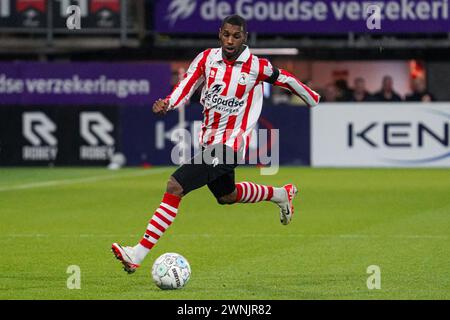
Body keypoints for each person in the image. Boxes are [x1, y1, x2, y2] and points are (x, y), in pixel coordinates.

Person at [111, 15, 320, 274]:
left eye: (236, 36)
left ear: (245, 37)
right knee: (226, 196)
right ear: (220, 33)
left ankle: (137, 253)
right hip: (209, 143)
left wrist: (312, 98)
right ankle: (280, 194)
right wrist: (169, 101)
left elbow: (285, 78)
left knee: (175, 186)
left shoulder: (256, 67)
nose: (230, 41)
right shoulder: (207, 59)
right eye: (226, 35)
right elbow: (186, 85)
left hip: (231, 145)